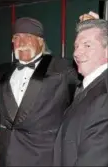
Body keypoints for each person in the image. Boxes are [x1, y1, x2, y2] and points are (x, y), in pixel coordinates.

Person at [0, 16, 80, 166]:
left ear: (40, 41)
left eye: (28, 36)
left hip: (45, 161)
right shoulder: (3, 72)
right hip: (9, 159)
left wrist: (90, 28)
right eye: (17, 37)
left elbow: (94, 77)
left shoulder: (62, 69)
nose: (22, 42)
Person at [53, 17, 108, 166]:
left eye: (87, 45)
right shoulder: (90, 86)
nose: (77, 53)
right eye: (76, 46)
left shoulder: (104, 97)